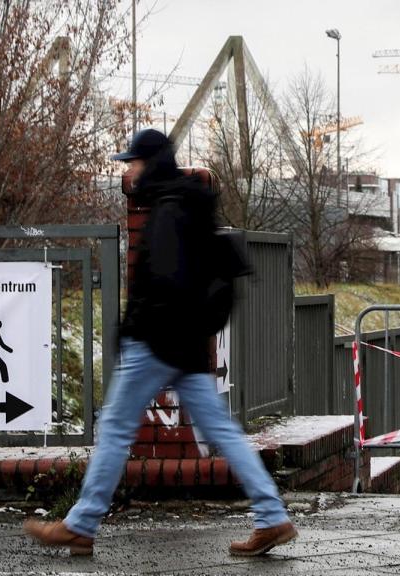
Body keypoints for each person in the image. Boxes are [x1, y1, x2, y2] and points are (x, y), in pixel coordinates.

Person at [23, 129, 296, 556]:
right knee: (221, 429)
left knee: (114, 429)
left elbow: (168, 281)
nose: (129, 171)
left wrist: (138, 329)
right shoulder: (188, 203)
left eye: (133, 162)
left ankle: (81, 523)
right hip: (185, 345)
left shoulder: (168, 211)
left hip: (156, 343)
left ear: (150, 164)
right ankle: (272, 515)